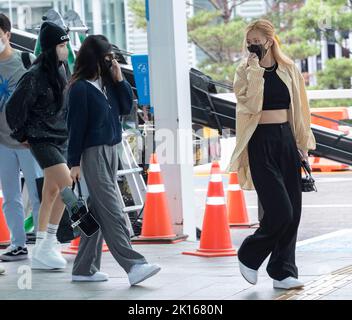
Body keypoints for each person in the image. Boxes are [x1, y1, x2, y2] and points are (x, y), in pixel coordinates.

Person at [226, 19, 316, 290]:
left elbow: (300, 109)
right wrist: (255, 70)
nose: (252, 45)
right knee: (280, 211)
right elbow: (250, 104)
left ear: (269, 39)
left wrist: (302, 146)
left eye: (257, 40)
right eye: (249, 41)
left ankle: (283, 271)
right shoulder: (243, 71)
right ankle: (249, 254)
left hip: (285, 141)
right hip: (259, 141)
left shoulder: (288, 69)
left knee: (294, 211)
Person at [67, 35, 160, 285]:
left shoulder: (105, 84)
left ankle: (83, 269)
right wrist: (73, 162)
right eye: (107, 57)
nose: (111, 61)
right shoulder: (80, 89)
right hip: (92, 154)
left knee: (97, 213)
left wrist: (120, 80)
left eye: (112, 57)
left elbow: (125, 107)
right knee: (114, 210)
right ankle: (134, 265)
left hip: (111, 151)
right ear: (94, 58)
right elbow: (75, 128)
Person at [5, 21, 72, 270]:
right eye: (62, 45)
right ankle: (48, 243)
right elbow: (12, 108)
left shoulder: (61, 69)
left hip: (59, 138)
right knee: (67, 187)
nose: (65, 49)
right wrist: (21, 134)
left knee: (51, 193)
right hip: (41, 140)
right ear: (50, 47)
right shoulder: (34, 76)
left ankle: (44, 246)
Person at [0, 13, 42, 262]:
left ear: (7, 34)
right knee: (10, 196)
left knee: (38, 194)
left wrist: (35, 131)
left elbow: (43, 98)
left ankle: (45, 243)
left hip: (28, 141)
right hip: (2, 142)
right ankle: (18, 243)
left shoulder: (26, 60)